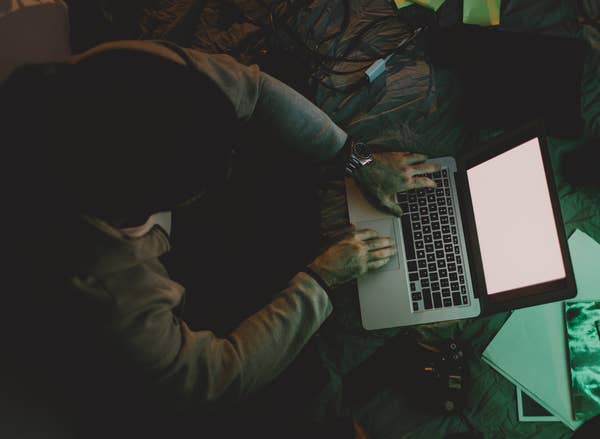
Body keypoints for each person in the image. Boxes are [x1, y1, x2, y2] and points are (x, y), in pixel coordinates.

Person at [1, 40, 439, 438]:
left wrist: (356, 159)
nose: (230, 164)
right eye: (207, 178)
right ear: (142, 209)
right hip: (136, 362)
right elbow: (216, 376)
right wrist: (319, 281)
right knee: (284, 402)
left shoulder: (133, 70)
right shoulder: (110, 293)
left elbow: (258, 91)